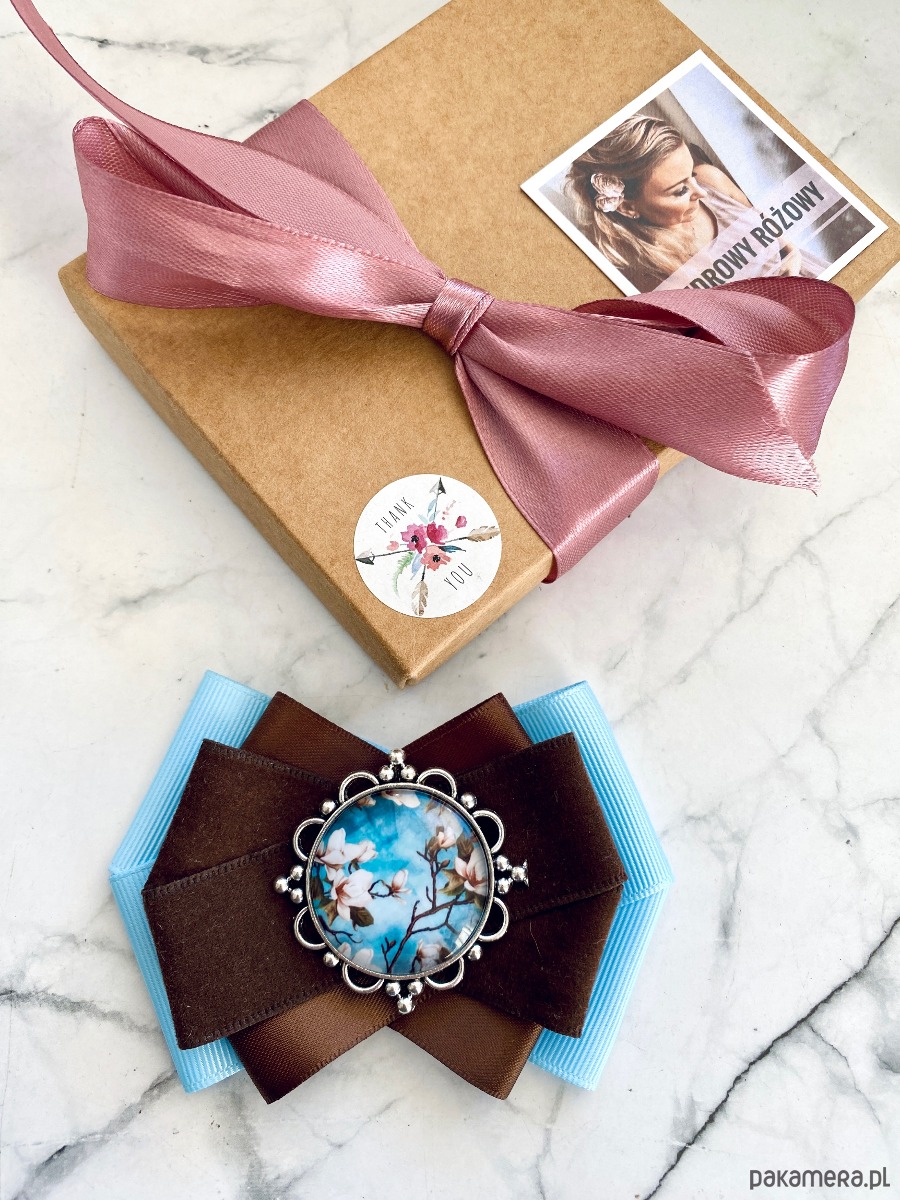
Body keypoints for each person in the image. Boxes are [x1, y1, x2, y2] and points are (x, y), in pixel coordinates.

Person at [565, 114, 822, 291]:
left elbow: (766, 222)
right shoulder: (645, 270)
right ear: (627, 206)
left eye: (692, 175)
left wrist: (793, 253)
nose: (701, 192)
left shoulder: (711, 179)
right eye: (680, 191)